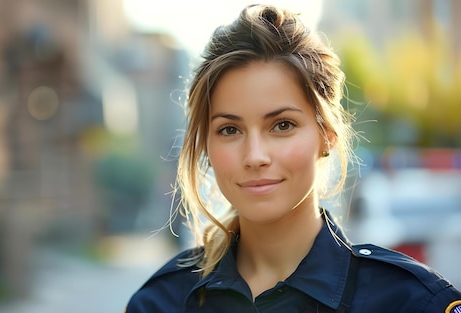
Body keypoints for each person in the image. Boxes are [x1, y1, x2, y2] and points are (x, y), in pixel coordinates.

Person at [125, 4, 461, 313]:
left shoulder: (410, 302)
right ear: (206, 147)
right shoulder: (159, 303)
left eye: (282, 125)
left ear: (327, 134)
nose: (255, 156)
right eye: (229, 130)